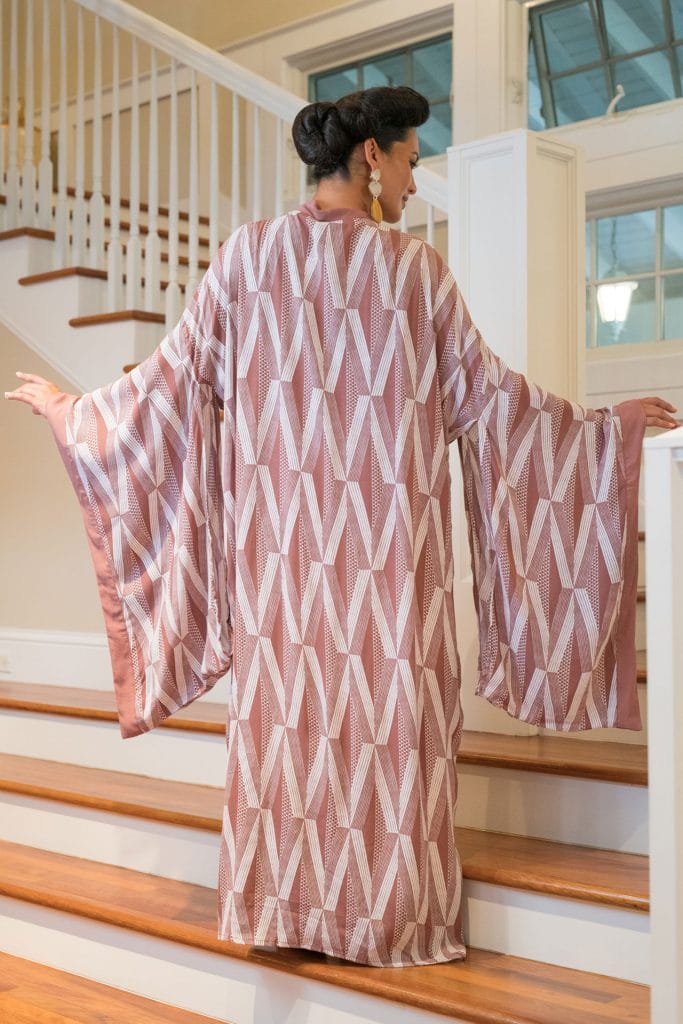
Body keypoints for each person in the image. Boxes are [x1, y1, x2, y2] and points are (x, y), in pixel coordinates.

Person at [5, 86, 678, 968]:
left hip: (282, 573)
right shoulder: (413, 273)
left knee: (295, 731)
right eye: (409, 160)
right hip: (390, 572)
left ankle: (285, 911)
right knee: (389, 731)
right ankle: (389, 919)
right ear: (370, 156)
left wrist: (76, 413)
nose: (413, 180)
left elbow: (166, 384)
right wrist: (604, 432)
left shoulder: (247, 258)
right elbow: (495, 405)